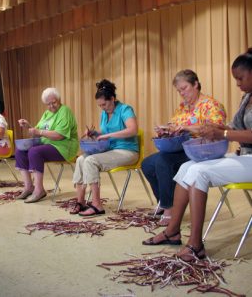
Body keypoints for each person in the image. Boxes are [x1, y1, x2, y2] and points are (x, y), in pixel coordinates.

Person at [142, 48, 252, 261]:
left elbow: (229, 131)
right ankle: (173, 231)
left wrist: (222, 132)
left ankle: (196, 245)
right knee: (186, 167)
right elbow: (233, 127)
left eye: (240, 78)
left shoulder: (214, 103)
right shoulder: (246, 97)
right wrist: (212, 129)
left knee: (199, 171)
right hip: (245, 155)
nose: (237, 83)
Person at [141, 70, 226, 226]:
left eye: (184, 88)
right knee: (147, 164)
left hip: (203, 150)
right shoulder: (183, 107)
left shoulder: (211, 105)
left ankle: (169, 209)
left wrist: (186, 127)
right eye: (179, 90)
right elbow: (175, 125)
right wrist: (166, 129)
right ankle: (164, 200)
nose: (181, 93)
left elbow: (217, 128)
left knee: (163, 161)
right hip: (183, 148)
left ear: (196, 84)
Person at [70, 79, 139, 216]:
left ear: (112, 99)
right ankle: (81, 201)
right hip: (112, 150)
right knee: (80, 160)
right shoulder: (104, 113)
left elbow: (133, 130)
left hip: (128, 151)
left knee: (90, 161)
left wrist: (108, 135)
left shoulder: (125, 109)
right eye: (100, 105)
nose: (103, 108)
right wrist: (95, 133)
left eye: (104, 104)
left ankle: (97, 205)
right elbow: (105, 131)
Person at [15, 87, 79, 203]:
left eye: (53, 102)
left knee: (35, 152)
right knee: (20, 150)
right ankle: (29, 186)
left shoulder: (65, 111)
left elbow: (59, 136)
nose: (51, 106)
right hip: (48, 145)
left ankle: (39, 190)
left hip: (64, 147)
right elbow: (38, 132)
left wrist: (39, 132)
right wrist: (29, 126)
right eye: (48, 104)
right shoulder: (47, 113)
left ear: (59, 100)